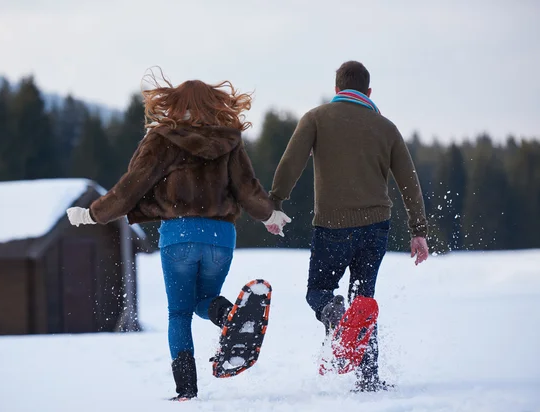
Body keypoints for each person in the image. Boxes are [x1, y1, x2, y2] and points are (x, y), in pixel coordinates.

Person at [66, 73, 289, 401]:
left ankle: (186, 389)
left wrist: (91, 213)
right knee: (204, 299)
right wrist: (271, 214)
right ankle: (229, 315)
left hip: (179, 235)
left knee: (179, 312)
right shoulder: (230, 140)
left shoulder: (163, 139)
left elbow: (131, 187)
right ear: (214, 103)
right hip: (221, 237)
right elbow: (247, 188)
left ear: (173, 103)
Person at [266, 60, 429, 392]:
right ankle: (369, 378)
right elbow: (409, 182)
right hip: (377, 228)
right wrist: (418, 231)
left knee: (318, 292)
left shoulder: (316, 118)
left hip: (332, 226)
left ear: (337, 89)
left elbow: (290, 162)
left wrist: (275, 203)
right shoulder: (386, 127)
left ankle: (333, 314)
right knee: (363, 299)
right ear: (369, 92)